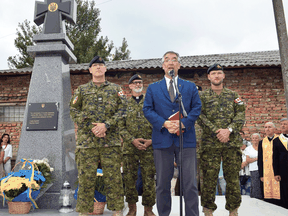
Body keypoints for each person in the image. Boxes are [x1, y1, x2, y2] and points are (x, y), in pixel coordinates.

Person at [143, 51, 202, 216]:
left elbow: (197, 108)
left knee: (189, 184)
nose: (170, 62)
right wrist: (164, 123)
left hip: (186, 140)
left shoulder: (189, 86)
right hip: (162, 140)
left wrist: (183, 123)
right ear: (162, 66)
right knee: (162, 184)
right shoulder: (153, 88)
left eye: (174, 60)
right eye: (167, 60)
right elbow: (147, 109)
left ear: (179, 65)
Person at [70, 56, 126, 216]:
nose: (98, 68)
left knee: (114, 178)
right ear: (90, 70)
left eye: (101, 65)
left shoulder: (117, 89)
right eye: (95, 65)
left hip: (111, 142)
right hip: (87, 143)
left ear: (106, 69)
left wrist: (106, 125)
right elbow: (73, 110)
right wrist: (91, 127)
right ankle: (84, 212)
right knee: (86, 179)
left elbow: (124, 110)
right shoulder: (81, 90)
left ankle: (117, 210)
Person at [198, 63, 245, 216]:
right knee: (209, 179)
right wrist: (217, 131)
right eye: (213, 74)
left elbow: (241, 115)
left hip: (231, 143)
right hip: (210, 144)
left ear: (223, 76)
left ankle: (233, 210)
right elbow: (199, 116)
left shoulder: (233, 95)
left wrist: (228, 130)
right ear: (208, 77)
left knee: (232, 178)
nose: (216, 76)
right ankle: (208, 210)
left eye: (219, 73)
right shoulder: (202, 97)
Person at [121, 74, 156, 216]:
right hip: (130, 148)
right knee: (130, 179)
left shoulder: (152, 104)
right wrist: (132, 140)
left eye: (139, 82)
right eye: (134, 83)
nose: (137, 85)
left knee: (149, 179)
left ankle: (149, 210)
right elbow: (120, 127)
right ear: (129, 86)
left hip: (149, 147)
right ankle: (132, 209)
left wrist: (151, 140)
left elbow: (159, 123)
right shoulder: (124, 104)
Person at [258, 122, 281, 206]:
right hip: (266, 172)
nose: (267, 129)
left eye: (269, 127)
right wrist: (261, 175)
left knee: (279, 194)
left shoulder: (280, 140)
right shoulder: (262, 142)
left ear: (274, 129)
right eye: (265, 127)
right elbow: (260, 159)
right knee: (268, 197)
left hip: (278, 171)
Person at [272, 118, 288, 209]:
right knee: (285, 189)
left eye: (285, 124)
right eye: (281, 124)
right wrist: (276, 173)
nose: (283, 126)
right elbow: (275, 157)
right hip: (283, 170)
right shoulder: (277, 140)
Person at [245, 133, 263, 199]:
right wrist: (257, 158)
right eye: (253, 138)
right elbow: (248, 160)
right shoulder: (248, 149)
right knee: (255, 185)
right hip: (254, 169)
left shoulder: (263, 147)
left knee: (262, 185)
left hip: (263, 169)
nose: (255, 139)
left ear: (260, 139)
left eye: (256, 138)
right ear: (251, 139)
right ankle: (256, 199)